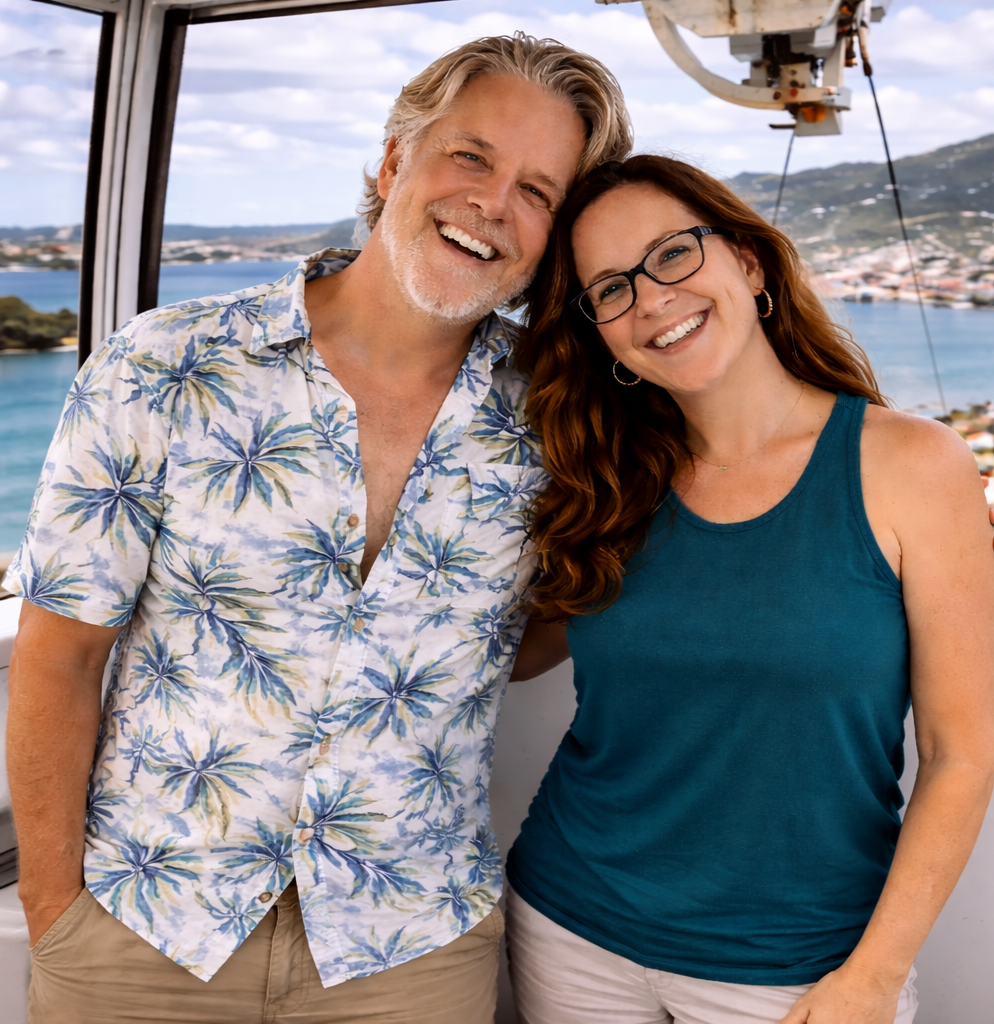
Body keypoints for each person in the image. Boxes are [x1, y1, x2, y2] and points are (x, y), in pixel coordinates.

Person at [2, 34, 631, 1024]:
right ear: (393, 161)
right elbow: (60, 653)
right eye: (470, 157)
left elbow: (517, 647)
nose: (493, 203)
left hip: (408, 952)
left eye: (538, 191)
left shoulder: (558, 417)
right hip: (144, 927)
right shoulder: (165, 364)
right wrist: (57, 911)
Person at [503, 155, 994, 1024]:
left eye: (672, 254)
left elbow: (961, 757)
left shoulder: (915, 466)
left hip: (796, 966)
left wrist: (875, 978)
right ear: (600, 334)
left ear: (749, 262)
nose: (651, 299)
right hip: (570, 927)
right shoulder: (609, 478)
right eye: (610, 288)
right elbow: (517, 659)